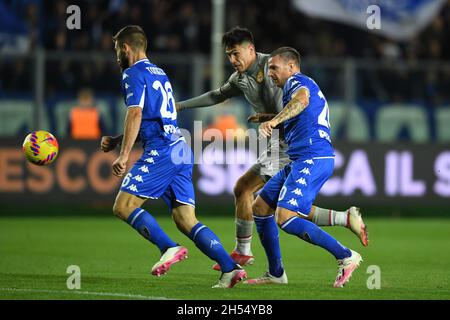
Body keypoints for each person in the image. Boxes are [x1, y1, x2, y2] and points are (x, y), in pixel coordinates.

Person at [176, 27, 368, 273]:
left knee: (272, 203)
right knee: (258, 196)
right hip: (276, 142)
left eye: (236, 54)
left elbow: (300, 100)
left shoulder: (274, 66)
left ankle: (254, 255)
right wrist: (181, 106)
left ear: (251, 49)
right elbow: (216, 95)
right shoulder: (239, 78)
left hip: (291, 144)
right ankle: (253, 255)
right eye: (228, 56)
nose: (232, 60)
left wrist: (274, 119)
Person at [101, 25, 247, 288]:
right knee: (185, 219)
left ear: (125, 48)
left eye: (116, 50)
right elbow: (154, 116)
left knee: (123, 206)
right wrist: (118, 139)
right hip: (180, 146)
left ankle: (168, 247)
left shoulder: (131, 73)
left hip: (162, 150)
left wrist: (123, 155)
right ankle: (229, 268)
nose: (116, 56)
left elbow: (135, 113)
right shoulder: (159, 72)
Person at [246, 47, 362, 287]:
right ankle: (275, 273)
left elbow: (302, 100)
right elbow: (301, 111)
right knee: (260, 206)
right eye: (269, 70)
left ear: (291, 66)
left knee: (286, 216)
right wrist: (270, 116)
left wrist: (274, 120)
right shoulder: (294, 87)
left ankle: (346, 256)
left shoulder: (297, 82)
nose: (270, 74)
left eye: (274, 68)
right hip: (301, 159)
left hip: (312, 157)